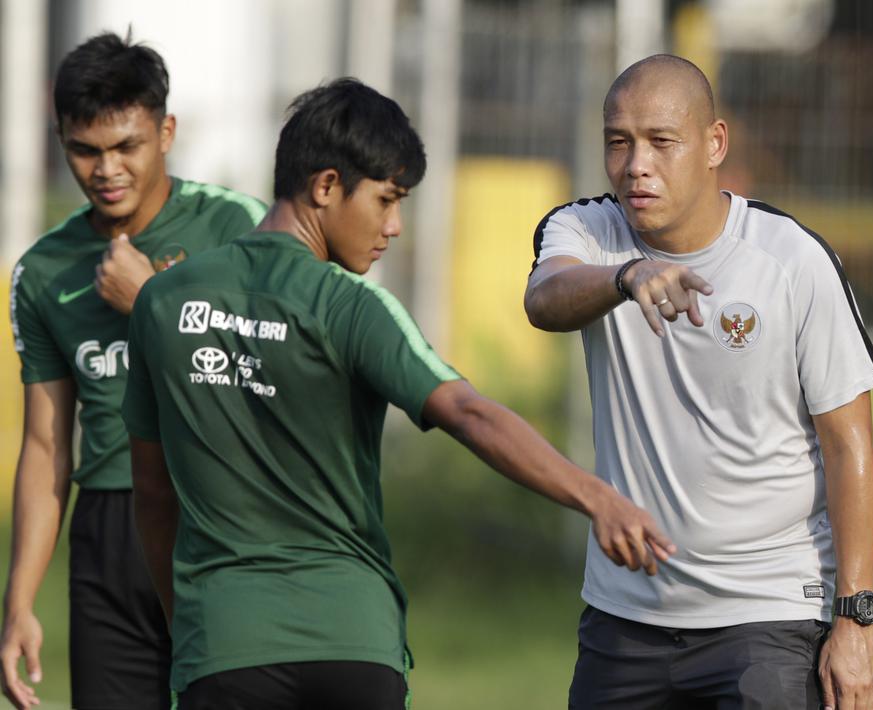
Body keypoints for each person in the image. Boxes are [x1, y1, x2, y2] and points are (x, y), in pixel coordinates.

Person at [119, 77, 672, 710]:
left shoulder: (162, 302)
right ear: (326, 187)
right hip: (352, 644)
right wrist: (597, 497)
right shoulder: (351, 305)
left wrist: (189, 626)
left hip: (224, 641)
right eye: (386, 200)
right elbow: (468, 411)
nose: (395, 226)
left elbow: (153, 493)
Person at [524, 54, 873, 710]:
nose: (636, 164)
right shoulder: (585, 230)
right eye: (618, 142)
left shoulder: (792, 259)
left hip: (768, 616)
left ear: (714, 143)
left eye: (661, 141)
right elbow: (544, 300)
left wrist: (855, 618)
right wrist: (627, 276)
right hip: (624, 617)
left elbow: (848, 444)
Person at [2, 31, 265, 710]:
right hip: (107, 534)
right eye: (85, 150)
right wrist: (19, 601)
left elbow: (272, 376)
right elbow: (45, 446)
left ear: (165, 132)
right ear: (60, 141)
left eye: (126, 146)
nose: (106, 169)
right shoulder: (44, 271)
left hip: (220, 515)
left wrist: (152, 301)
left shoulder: (238, 230)